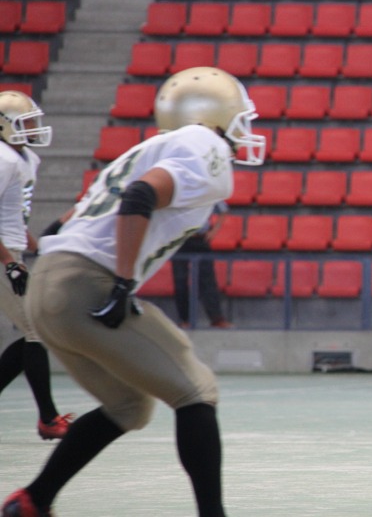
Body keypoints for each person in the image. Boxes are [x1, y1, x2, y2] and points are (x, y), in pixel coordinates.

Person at [2, 67, 265, 517]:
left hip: (49, 284)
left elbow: (56, 228)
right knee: (196, 390)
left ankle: (32, 501)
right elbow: (141, 196)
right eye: (240, 117)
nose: (245, 129)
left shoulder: (148, 149)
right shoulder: (207, 147)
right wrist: (122, 282)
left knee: (129, 405)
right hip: (85, 283)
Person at [0, 91, 72, 441]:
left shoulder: (25, 158)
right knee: (37, 331)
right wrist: (9, 262)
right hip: (3, 255)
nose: (33, 127)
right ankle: (48, 418)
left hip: (12, 250)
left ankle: (48, 418)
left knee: (35, 331)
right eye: (25, 122)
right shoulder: (3, 159)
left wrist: (40, 247)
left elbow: (14, 218)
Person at [172, 202, 231, 329]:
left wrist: (214, 230)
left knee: (208, 279)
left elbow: (223, 210)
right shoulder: (178, 192)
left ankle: (216, 318)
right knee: (180, 280)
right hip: (180, 239)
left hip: (201, 238)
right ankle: (185, 319)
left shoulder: (208, 192)